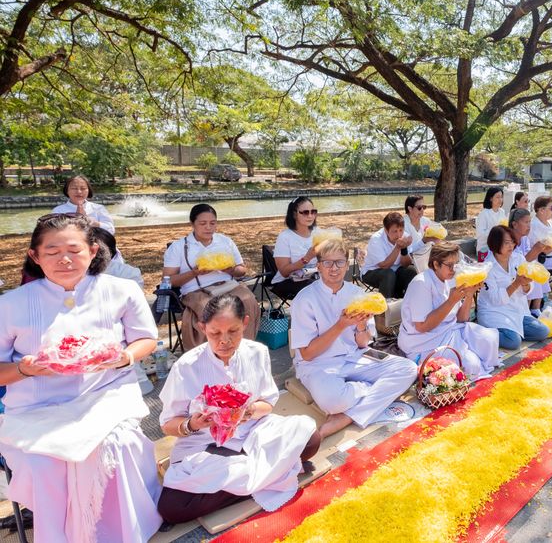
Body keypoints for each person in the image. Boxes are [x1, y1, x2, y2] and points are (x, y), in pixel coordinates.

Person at [0, 213, 161, 542]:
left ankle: (125, 532)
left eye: (74, 249)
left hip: (106, 396)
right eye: (52, 250)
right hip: (36, 408)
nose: (64, 259)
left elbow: (147, 339)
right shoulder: (11, 304)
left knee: (120, 445)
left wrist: (124, 357)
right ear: (35, 256)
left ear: (92, 250)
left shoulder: (122, 290)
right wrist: (24, 369)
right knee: (43, 464)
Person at [158, 294, 320, 524]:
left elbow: (268, 402)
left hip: (253, 434)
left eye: (233, 331)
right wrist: (193, 423)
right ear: (203, 328)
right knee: (172, 508)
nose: (224, 341)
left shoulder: (257, 352)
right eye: (215, 333)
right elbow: (167, 425)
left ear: (245, 323)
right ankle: (272, 474)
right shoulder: (186, 366)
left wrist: (249, 411)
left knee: (311, 438)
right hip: (207, 447)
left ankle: (249, 479)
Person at [291, 238, 417, 437]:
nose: (334, 268)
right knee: (333, 401)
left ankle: (348, 416)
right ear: (318, 266)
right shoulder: (305, 299)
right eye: (327, 263)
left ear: (347, 264)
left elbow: (363, 343)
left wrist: (359, 326)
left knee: (408, 369)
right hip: (319, 365)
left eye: (340, 262)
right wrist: (341, 325)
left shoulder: (357, 293)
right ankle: (369, 390)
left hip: (355, 357)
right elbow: (306, 354)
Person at [163, 204, 261, 349]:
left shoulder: (225, 241)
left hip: (228, 284)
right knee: (209, 309)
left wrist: (230, 270)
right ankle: (210, 353)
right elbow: (168, 280)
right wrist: (194, 273)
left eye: (212, 223)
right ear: (192, 224)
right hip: (196, 290)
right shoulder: (178, 247)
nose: (208, 227)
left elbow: (242, 270)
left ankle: (243, 348)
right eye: (203, 223)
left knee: (248, 300)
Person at [398, 241, 500, 379]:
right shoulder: (421, 283)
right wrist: (452, 300)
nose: (454, 269)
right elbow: (422, 327)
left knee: (490, 340)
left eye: (456, 264)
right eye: (450, 265)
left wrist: (469, 294)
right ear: (435, 264)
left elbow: (461, 319)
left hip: (451, 330)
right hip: (424, 341)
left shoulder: (451, 279)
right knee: (472, 366)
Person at [478, 226, 551, 349]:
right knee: (513, 342)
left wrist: (525, 284)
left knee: (543, 331)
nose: (511, 246)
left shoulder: (518, 258)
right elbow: (496, 300)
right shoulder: (487, 267)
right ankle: (483, 333)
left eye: (512, 242)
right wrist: (516, 283)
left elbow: (527, 291)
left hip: (517, 310)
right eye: (506, 243)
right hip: (495, 311)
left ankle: (515, 331)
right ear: (495, 244)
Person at [271, 197, 322, 299]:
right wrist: (306, 258)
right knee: (318, 289)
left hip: (315, 277)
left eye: (313, 212)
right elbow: (284, 272)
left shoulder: (318, 232)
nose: (310, 216)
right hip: (287, 282)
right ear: (294, 214)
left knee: (334, 284)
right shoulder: (285, 237)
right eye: (305, 212)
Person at [361, 212, 418, 299]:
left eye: (401, 230)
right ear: (386, 230)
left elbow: (406, 264)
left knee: (411, 271)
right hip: (372, 271)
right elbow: (384, 265)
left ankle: (407, 303)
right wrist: (398, 247)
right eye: (395, 231)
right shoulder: (376, 239)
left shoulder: (405, 236)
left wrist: (404, 249)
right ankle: (385, 309)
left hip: (394, 271)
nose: (399, 235)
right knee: (388, 274)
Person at [509, 207, 552, 313]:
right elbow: (519, 263)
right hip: (511, 272)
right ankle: (528, 310)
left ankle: (536, 308)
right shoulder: (508, 239)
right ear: (515, 224)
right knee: (530, 272)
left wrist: (542, 249)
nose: (529, 226)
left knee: (537, 268)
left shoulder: (524, 238)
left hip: (522, 267)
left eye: (530, 222)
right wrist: (536, 249)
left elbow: (530, 259)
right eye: (526, 222)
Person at [403, 195, 440, 272]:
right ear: (410, 208)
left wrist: (436, 239)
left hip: (428, 256)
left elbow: (434, 241)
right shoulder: (403, 225)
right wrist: (424, 241)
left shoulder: (425, 221)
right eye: (419, 208)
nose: (422, 210)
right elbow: (407, 250)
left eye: (424, 207)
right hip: (413, 261)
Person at [475, 187, 506, 260]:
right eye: (497, 197)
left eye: (501, 197)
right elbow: (480, 233)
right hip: (485, 248)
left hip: (499, 246)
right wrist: (496, 231)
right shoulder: (484, 214)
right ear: (491, 198)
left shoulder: (502, 212)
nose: (500, 200)